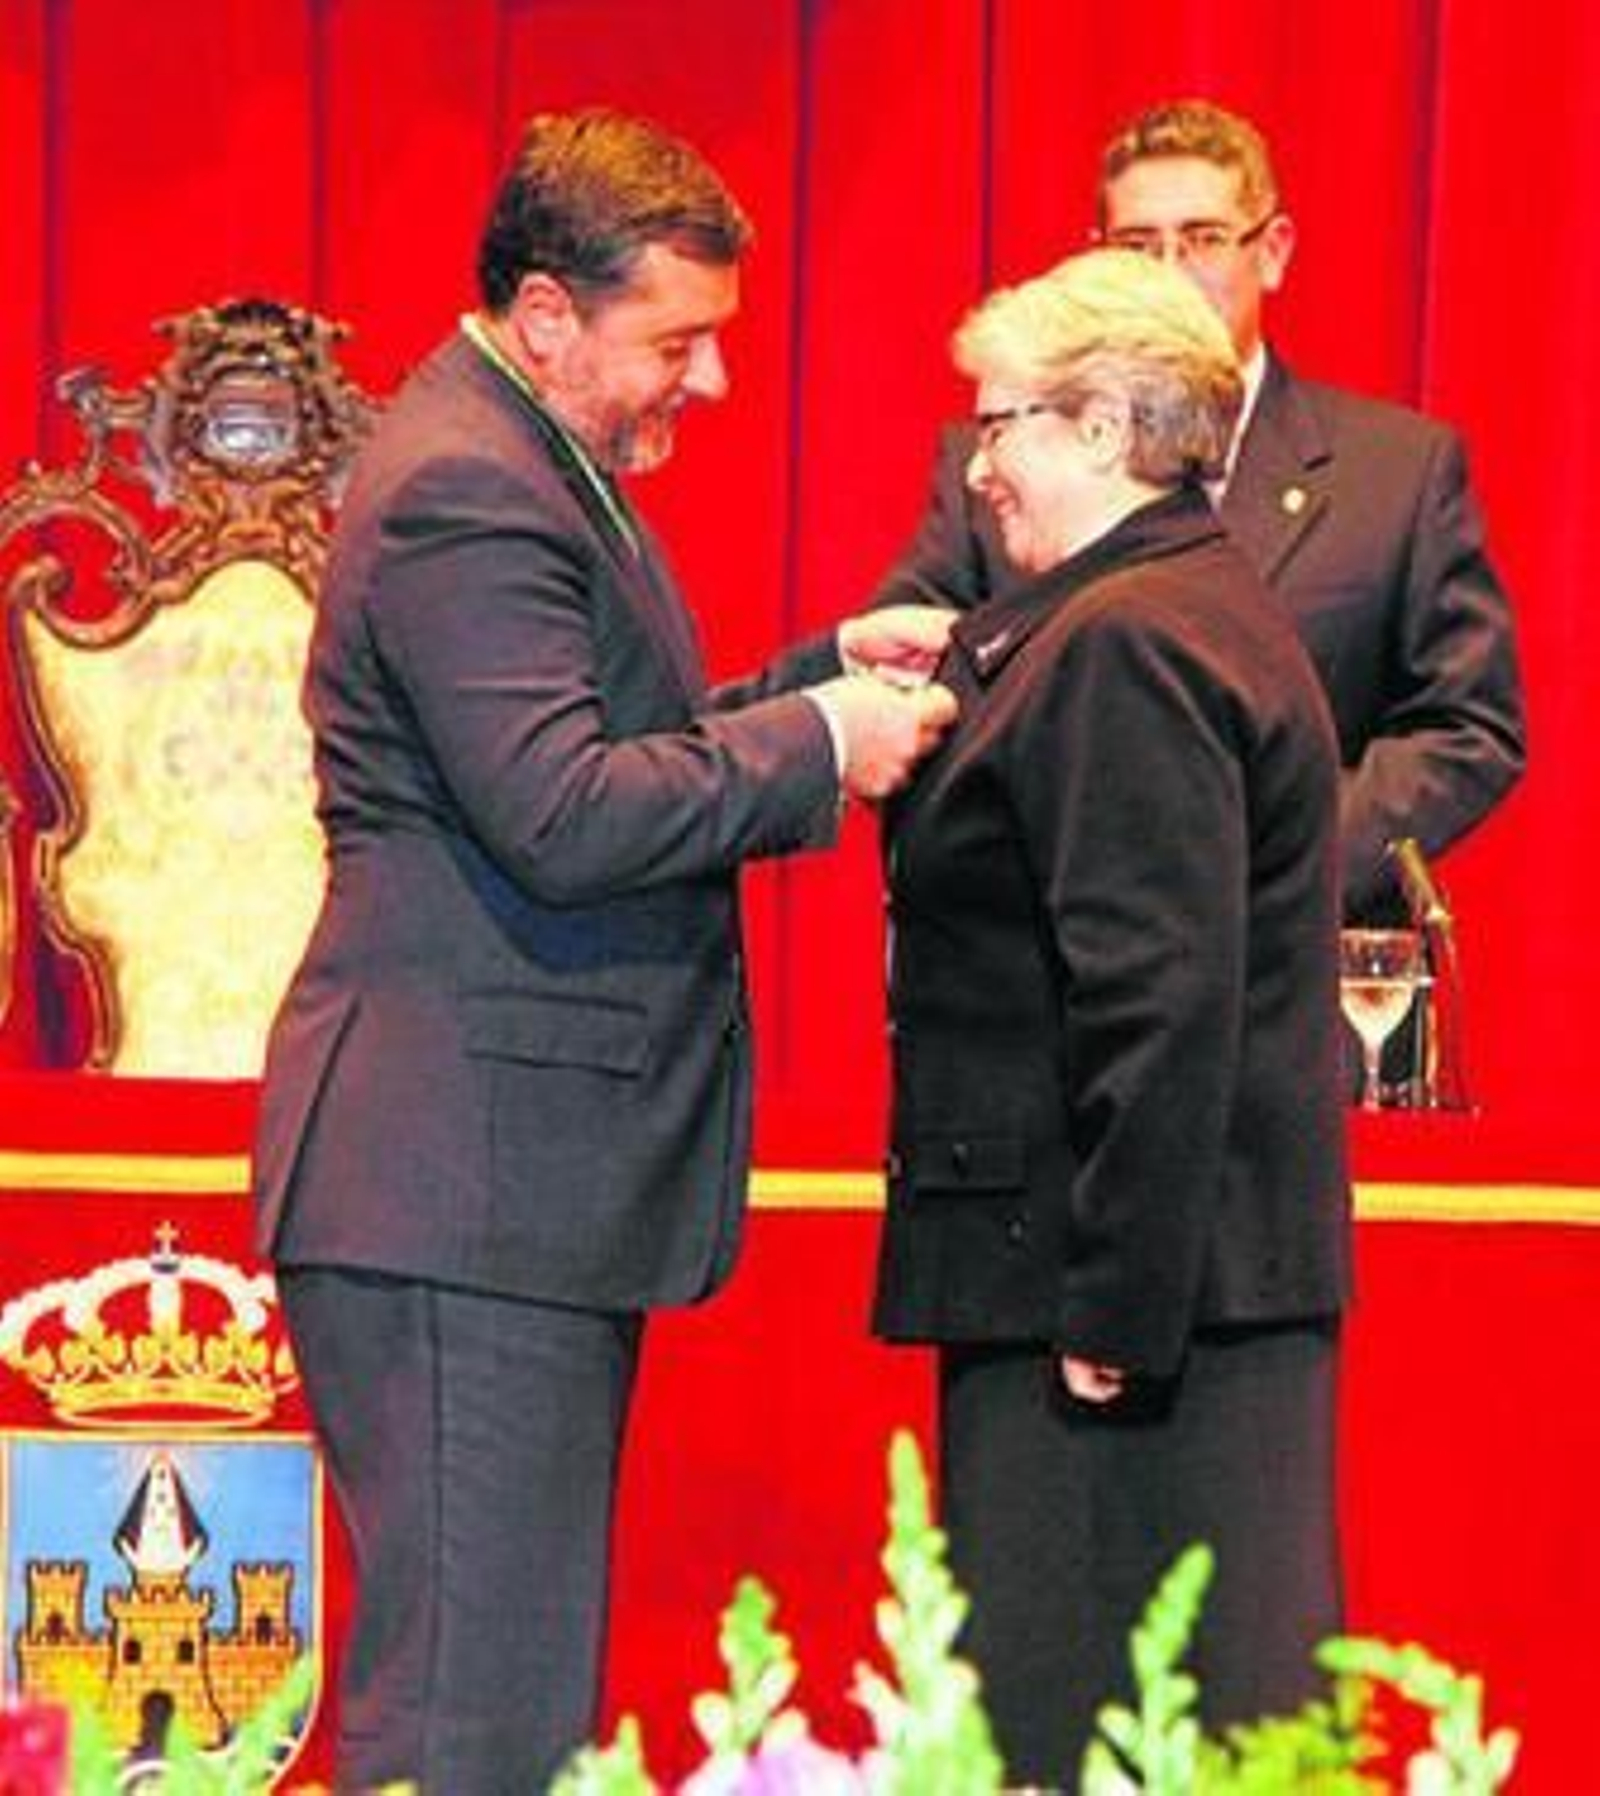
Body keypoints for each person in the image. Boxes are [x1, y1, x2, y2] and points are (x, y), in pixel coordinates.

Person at [252, 107, 955, 1792]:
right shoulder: (464, 494)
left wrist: (813, 675)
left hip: (497, 1191)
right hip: (454, 1190)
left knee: (510, 1691)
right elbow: (560, 810)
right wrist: (816, 745)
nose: (705, 386)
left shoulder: (518, 459)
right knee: (471, 1714)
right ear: (549, 314)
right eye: (678, 344)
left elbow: (601, 745)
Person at [872, 248, 1353, 1786]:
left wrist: (1117, 1313)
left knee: (1095, 1721)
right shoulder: (1158, 610)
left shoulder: (1131, 638)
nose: (978, 463)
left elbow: (1158, 1002)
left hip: (1116, 1311)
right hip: (1130, 1290)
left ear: (1097, 430)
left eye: (999, 422)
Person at [872, 97, 1525, 922]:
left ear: (1274, 250)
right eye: (1139, 246)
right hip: (1061, 954)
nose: (1170, 272)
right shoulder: (1003, 460)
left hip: (1304, 967)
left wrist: (1282, 862)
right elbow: (913, 676)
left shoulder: (1398, 471)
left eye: (1205, 239)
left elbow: (1469, 728)